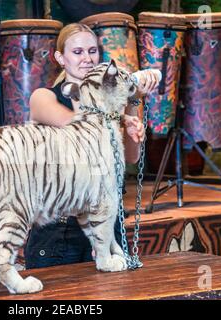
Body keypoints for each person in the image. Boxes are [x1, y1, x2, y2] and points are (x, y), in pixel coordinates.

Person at [24, 23, 160, 269]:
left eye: (93, 51)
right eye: (77, 52)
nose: (87, 58)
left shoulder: (112, 103)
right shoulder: (44, 97)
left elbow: (131, 157)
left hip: (107, 224)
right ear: (60, 57)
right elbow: (80, 131)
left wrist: (131, 101)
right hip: (60, 230)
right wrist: (121, 109)